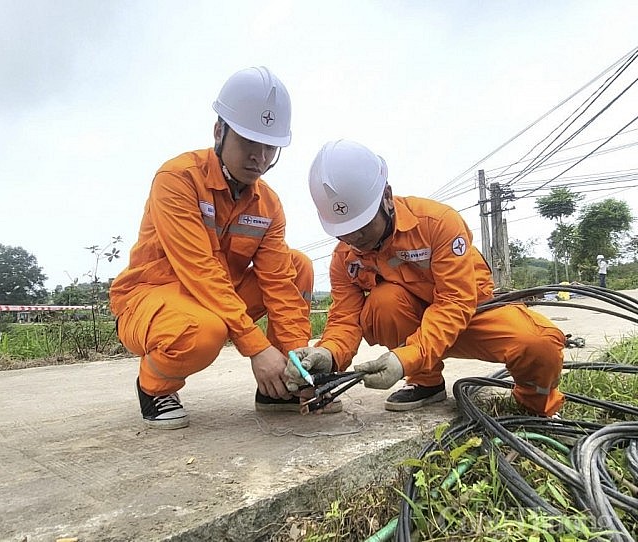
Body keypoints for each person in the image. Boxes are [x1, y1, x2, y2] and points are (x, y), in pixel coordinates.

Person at [285, 139, 566, 417]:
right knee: (385, 302)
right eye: (343, 231)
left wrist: (405, 357)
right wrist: (329, 354)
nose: (354, 238)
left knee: (538, 343)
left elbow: (455, 301)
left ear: (386, 197)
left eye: (363, 225)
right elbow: (345, 318)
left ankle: (535, 408)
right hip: (418, 325)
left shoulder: (437, 223)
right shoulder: (345, 258)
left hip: (472, 313)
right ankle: (426, 382)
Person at [109, 66, 322, 430]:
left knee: (297, 266)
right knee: (202, 331)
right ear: (219, 131)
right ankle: (154, 385)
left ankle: (279, 390)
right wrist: (256, 347)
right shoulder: (177, 180)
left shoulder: (268, 205)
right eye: (249, 141)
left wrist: (294, 363)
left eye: (270, 146)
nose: (260, 156)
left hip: (215, 297)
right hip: (153, 298)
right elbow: (200, 270)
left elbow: (280, 288)